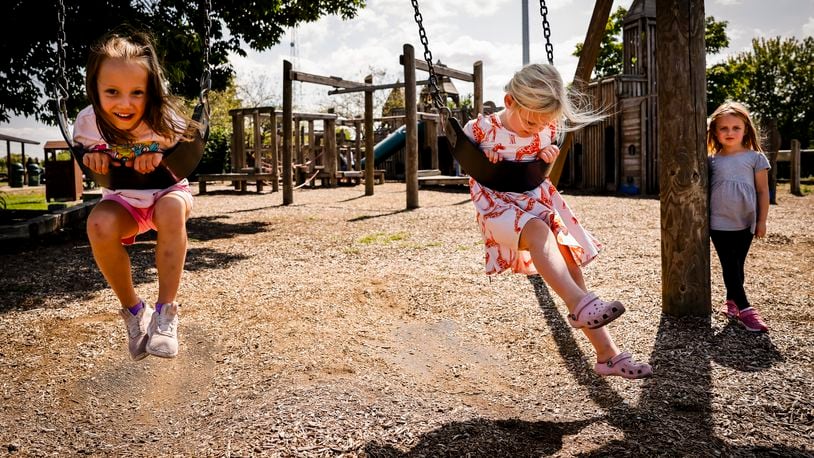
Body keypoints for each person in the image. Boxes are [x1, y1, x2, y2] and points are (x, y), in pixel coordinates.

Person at [462, 63, 652, 379]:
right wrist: (485, 158)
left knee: (570, 266)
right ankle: (583, 305)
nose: (536, 129)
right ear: (509, 102)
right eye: (530, 122)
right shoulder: (481, 129)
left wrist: (547, 153)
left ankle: (608, 356)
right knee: (538, 233)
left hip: (535, 202)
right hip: (499, 207)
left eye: (544, 124)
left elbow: (543, 155)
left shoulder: (549, 129)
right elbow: (464, 161)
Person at [74, 28, 198, 359]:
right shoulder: (88, 121)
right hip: (124, 202)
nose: (125, 104)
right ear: (95, 89)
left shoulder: (164, 116)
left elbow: (185, 142)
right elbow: (85, 151)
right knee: (98, 225)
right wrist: (94, 154)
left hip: (167, 194)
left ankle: (165, 313)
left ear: (151, 91)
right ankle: (134, 312)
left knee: (171, 211)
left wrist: (159, 151)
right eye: (112, 92)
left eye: (137, 93)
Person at [706, 101, 770, 332]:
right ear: (714, 131)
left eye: (736, 128)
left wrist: (761, 221)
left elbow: (763, 191)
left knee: (737, 264)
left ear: (746, 130)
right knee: (729, 265)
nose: (730, 132)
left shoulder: (755, 158)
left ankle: (731, 301)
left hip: (746, 221)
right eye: (724, 128)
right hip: (718, 222)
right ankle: (745, 309)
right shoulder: (711, 160)